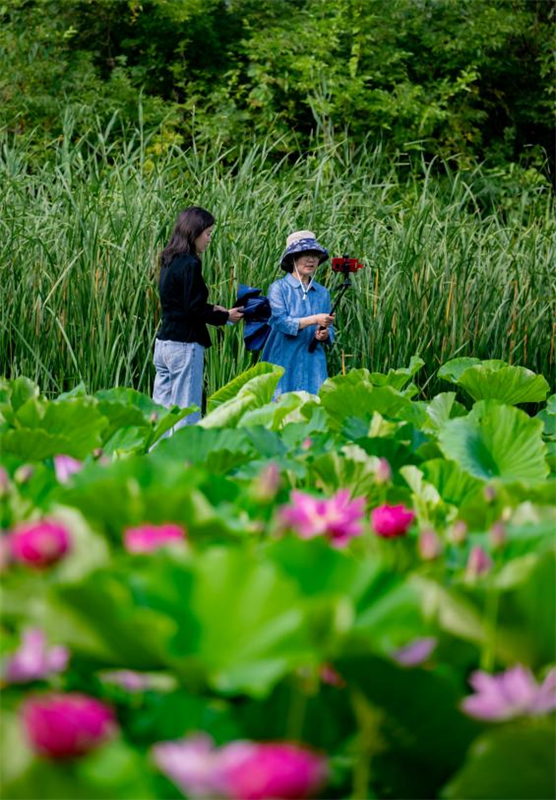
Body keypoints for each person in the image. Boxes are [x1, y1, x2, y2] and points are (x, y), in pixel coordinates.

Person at [153, 206, 244, 428]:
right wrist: (225, 317)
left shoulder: (168, 260)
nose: (209, 239)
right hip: (185, 346)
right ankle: (185, 461)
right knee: (186, 412)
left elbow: (182, 304)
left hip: (163, 344)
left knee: (161, 414)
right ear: (194, 232)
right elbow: (194, 308)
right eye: (208, 233)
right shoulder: (191, 263)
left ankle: (155, 458)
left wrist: (214, 309)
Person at [261, 230, 335, 396]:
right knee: (281, 411)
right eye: (305, 254)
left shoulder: (323, 292)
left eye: (315, 255)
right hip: (284, 359)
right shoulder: (278, 288)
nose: (311, 260)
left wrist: (325, 334)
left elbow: (330, 328)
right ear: (293, 258)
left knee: (314, 409)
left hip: (314, 364)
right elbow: (281, 322)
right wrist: (314, 319)